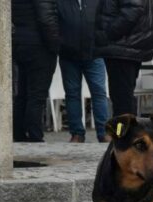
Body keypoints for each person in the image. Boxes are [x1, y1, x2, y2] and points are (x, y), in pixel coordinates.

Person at [57, 0, 110, 143]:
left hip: (94, 53)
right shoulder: (60, 2)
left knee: (99, 92)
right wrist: (59, 43)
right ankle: (77, 133)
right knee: (72, 94)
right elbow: (54, 22)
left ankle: (104, 132)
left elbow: (106, 19)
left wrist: (102, 40)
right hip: (68, 54)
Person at [95, 0, 153, 116]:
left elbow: (132, 11)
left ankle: (123, 132)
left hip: (123, 47)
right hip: (124, 47)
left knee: (122, 100)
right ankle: (124, 131)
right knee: (122, 98)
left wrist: (107, 34)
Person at [12, 0, 60, 142]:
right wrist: (56, 45)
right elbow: (46, 19)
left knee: (22, 93)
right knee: (37, 94)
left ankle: (18, 132)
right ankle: (34, 134)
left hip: (21, 43)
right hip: (39, 45)